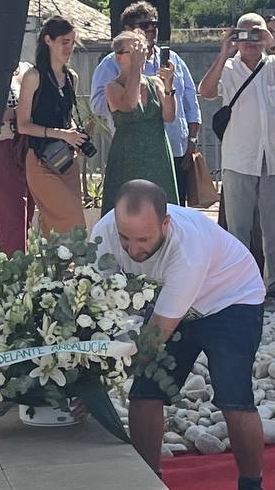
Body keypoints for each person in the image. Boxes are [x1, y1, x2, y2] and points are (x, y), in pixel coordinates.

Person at [91, 180, 266, 490]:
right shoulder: (104, 233)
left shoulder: (188, 249)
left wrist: (105, 377)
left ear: (166, 223)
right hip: (170, 304)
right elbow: (101, 308)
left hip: (231, 299)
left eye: (143, 239)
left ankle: (251, 484)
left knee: (233, 396)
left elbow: (154, 336)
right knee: (145, 392)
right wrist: (88, 370)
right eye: (125, 238)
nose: (133, 250)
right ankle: (148, 481)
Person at [198, 13, 275, 296]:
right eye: (244, 34)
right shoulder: (228, 68)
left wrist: (274, 45)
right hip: (239, 158)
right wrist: (224, 52)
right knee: (238, 229)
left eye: (256, 34)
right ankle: (239, 285)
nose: (250, 40)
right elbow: (206, 91)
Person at [91, 1, 201, 204]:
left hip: (169, 148)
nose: (151, 30)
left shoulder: (172, 60)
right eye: (144, 25)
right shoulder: (110, 66)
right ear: (128, 29)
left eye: (155, 25)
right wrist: (134, 69)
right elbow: (105, 105)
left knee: (170, 210)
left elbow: (189, 105)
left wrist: (191, 143)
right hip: (129, 150)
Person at [16, 16, 88, 235]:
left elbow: (66, 118)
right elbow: (23, 125)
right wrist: (62, 134)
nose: (69, 48)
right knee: (74, 221)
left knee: (53, 228)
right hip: (39, 159)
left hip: (66, 160)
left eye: (72, 42)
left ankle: (55, 270)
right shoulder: (33, 76)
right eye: (64, 42)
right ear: (48, 40)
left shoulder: (71, 78)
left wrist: (76, 136)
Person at [101, 30, 179, 212]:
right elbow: (129, 104)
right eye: (134, 52)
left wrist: (168, 86)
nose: (141, 56)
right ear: (119, 57)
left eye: (142, 51)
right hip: (127, 156)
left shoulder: (154, 83)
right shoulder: (112, 87)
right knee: (127, 208)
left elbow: (169, 116)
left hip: (157, 154)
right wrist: (135, 68)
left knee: (162, 208)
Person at [0, 62, 34, 253]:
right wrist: (18, 113)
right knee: (5, 214)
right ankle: (2, 273)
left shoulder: (27, 69)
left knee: (24, 214)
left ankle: (21, 269)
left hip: (25, 147)